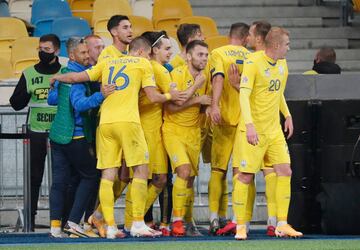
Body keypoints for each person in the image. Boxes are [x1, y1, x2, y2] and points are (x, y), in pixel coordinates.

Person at [50, 37, 187, 238]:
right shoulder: (143, 63)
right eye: (149, 54)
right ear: (142, 52)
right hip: (128, 123)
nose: (149, 57)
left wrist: (57, 77)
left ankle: (111, 227)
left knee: (108, 174)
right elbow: (152, 96)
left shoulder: (107, 62)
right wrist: (170, 96)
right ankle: (138, 223)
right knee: (142, 169)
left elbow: (75, 78)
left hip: (105, 123)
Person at [232, 27, 303, 240]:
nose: (289, 49)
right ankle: (241, 226)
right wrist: (250, 124)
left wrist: (287, 114)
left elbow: (278, 92)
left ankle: (282, 223)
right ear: (276, 46)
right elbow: (244, 96)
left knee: (285, 171)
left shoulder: (282, 64)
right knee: (244, 176)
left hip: (273, 130)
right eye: (287, 45)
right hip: (253, 129)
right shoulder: (253, 62)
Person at [47, 37, 113, 238]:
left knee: (61, 182)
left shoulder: (64, 75)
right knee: (91, 177)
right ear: (73, 55)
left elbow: (52, 100)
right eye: (83, 53)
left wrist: (55, 85)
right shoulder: (76, 77)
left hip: (57, 136)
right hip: (75, 136)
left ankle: (56, 226)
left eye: (87, 52)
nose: (88, 56)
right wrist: (101, 95)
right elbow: (79, 105)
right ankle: (75, 222)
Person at [9, 34, 62, 231]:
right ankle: (30, 221)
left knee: (61, 178)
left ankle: (60, 221)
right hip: (36, 132)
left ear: (56, 51)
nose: (42, 53)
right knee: (34, 178)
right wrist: (28, 91)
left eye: (47, 50)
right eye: (40, 49)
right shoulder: (29, 72)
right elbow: (16, 104)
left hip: (60, 132)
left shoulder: (65, 72)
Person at [162, 40, 211, 237]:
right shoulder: (177, 74)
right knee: (183, 171)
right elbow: (172, 106)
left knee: (190, 178)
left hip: (193, 132)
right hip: (173, 130)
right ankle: (177, 221)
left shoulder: (205, 77)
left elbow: (206, 101)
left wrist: (207, 108)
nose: (204, 58)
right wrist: (197, 98)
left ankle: (188, 221)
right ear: (189, 56)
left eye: (206, 55)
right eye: (200, 55)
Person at [207, 23, 250, 235]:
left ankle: (214, 218)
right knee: (240, 172)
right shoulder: (250, 56)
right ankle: (237, 219)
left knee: (217, 170)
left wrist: (214, 105)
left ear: (229, 35)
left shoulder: (218, 53)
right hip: (244, 119)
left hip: (223, 117)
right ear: (246, 38)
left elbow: (218, 77)